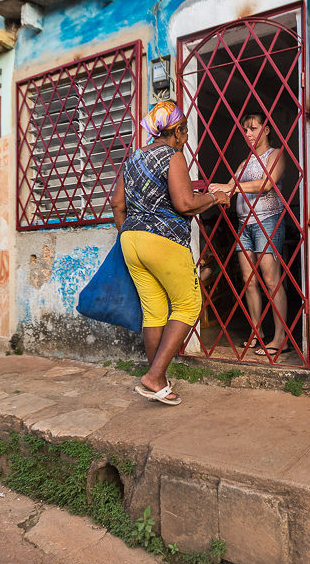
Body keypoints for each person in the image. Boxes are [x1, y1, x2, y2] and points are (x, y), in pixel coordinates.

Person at [111, 101, 229, 405]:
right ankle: (154, 375)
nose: (186, 137)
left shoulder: (134, 157)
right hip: (162, 241)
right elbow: (185, 204)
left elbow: (116, 204)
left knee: (154, 311)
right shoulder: (172, 156)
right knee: (189, 305)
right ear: (176, 131)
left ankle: (158, 383)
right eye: (185, 130)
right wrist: (215, 197)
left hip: (131, 241)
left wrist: (128, 232)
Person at [209, 112, 288, 357]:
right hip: (244, 225)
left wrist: (230, 186)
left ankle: (280, 337)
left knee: (271, 280)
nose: (249, 134)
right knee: (249, 280)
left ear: (266, 130)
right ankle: (257, 332)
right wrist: (214, 191)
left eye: (253, 128)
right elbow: (230, 191)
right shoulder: (244, 164)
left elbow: (266, 184)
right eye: (245, 130)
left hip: (267, 221)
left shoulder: (276, 155)